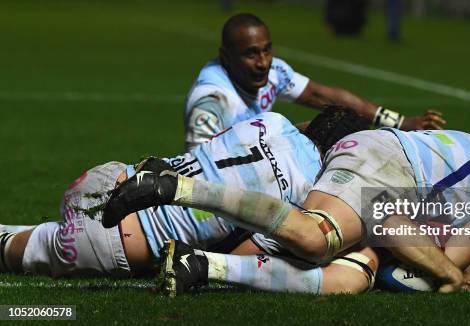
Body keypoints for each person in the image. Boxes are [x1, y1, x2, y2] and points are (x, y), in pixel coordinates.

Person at [102, 128, 470, 293]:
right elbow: (452, 253)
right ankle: (170, 186)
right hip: (388, 163)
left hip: (389, 165)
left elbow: (399, 226)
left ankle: (198, 264)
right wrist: (453, 279)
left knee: (349, 275)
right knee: (318, 239)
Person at [0, 108, 368, 278]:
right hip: (115, 238)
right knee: (12, 253)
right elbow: (246, 255)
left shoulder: (273, 121)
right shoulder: (308, 193)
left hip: (110, 177)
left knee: (35, 236)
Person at [183, 13, 445, 150]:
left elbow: (322, 96)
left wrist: (400, 122)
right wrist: (289, 137)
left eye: (267, 50)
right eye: (251, 54)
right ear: (226, 57)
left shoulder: (273, 71)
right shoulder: (211, 102)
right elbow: (202, 170)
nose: (263, 62)